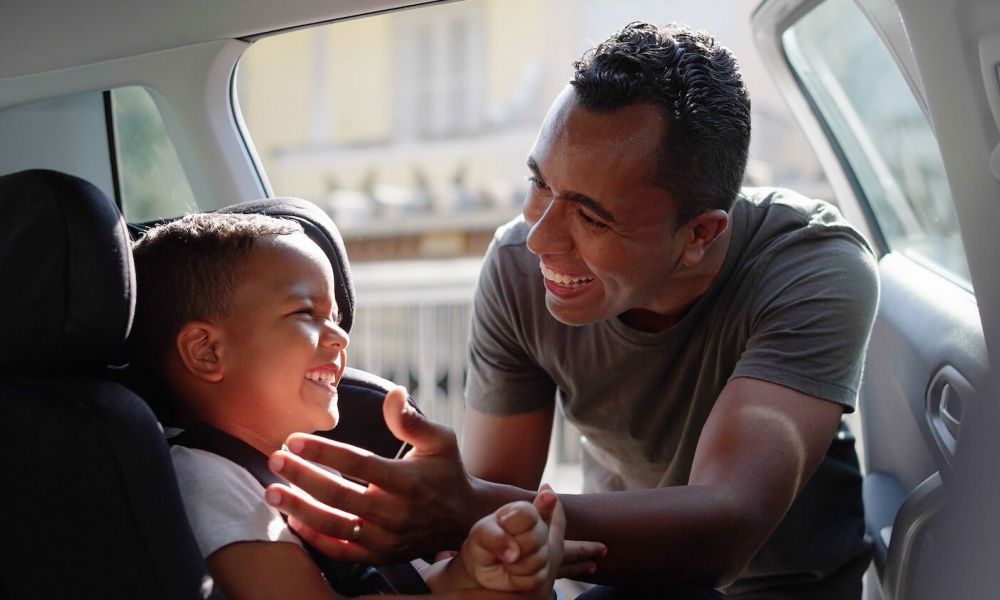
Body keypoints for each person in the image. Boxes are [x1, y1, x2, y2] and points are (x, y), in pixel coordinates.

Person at [263, 22, 879, 600]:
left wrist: (461, 508)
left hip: (787, 585)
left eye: (590, 216)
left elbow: (729, 522)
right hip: (632, 579)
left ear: (699, 234)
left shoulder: (813, 267)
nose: (539, 240)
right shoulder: (515, 269)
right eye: (540, 184)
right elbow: (495, 512)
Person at [127, 212, 580, 599]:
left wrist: (476, 567)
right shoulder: (208, 479)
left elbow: (393, 585)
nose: (340, 336)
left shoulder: (308, 473)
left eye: (338, 319)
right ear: (207, 352)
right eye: (306, 313)